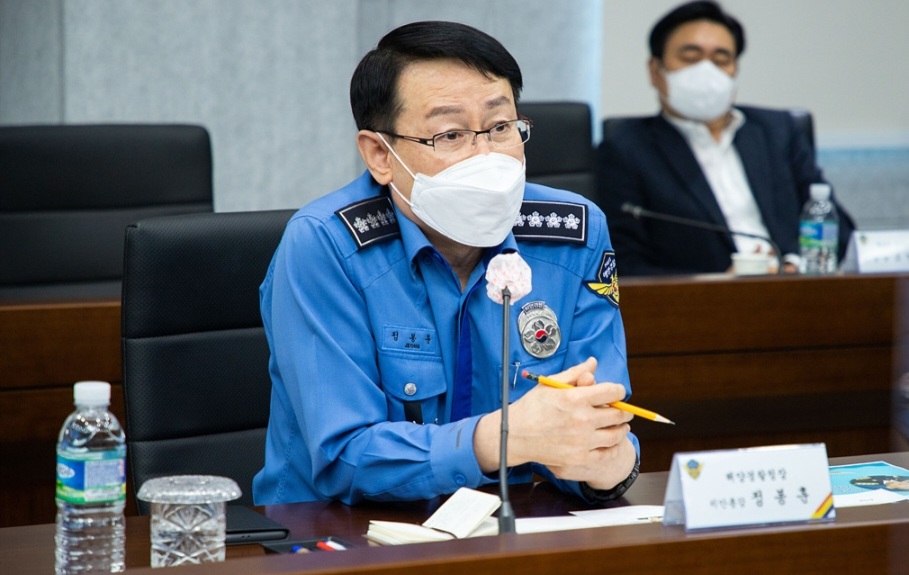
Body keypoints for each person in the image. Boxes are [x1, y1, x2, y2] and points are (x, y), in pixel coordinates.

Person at [253, 21, 639, 506]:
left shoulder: (574, 233)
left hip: (506, 526)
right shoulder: (326, 245)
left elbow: (600, 414)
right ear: (380, 154)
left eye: (501, 127)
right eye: (451, 134)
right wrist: (505, 438)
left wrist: (607, 464)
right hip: (338, 532)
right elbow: (343, 457)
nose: (486, 156)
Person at [595, 0, 856, 276]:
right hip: (704, 298)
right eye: (690, 57)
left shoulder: (778, 132)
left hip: (796, 287)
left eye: (721, 60)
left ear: (734, 70)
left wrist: (794, 266)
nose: (706, 72)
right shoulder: (625, 149)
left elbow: (838, 229)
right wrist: (716, 284)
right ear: (655, 70)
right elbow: (623, 264)